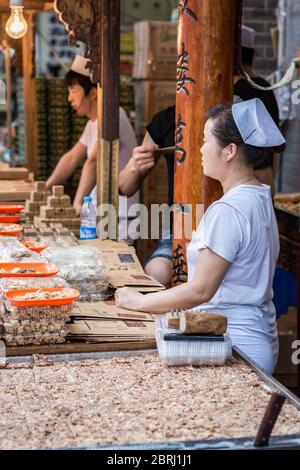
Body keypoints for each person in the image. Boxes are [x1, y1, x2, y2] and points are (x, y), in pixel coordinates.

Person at [116, 98, 285, 374]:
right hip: (255, 337)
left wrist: (141, 302)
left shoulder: (228, 209)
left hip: (238, 343)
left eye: (206, 140)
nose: (201, 149)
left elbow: (201, 290)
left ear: (229, 151)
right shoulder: (258, 195)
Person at [119, 25, 280, 285]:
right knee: (158, 272)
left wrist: (138, 302)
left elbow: (264, 176)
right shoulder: (166, 119)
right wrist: (135, 166)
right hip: (182, 223)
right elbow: (124, 186)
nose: (202, 149)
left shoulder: (241, 116)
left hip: (231, 221)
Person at [46, 55, 137, 217]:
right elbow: (72, 158)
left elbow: (93, 161)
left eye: (73, 91)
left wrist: (78, 202)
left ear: (93, 93)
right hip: (101, 210)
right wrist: (45, 187)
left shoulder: (111, 117)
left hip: (119, 214)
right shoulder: (92, 123)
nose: (69, 98)